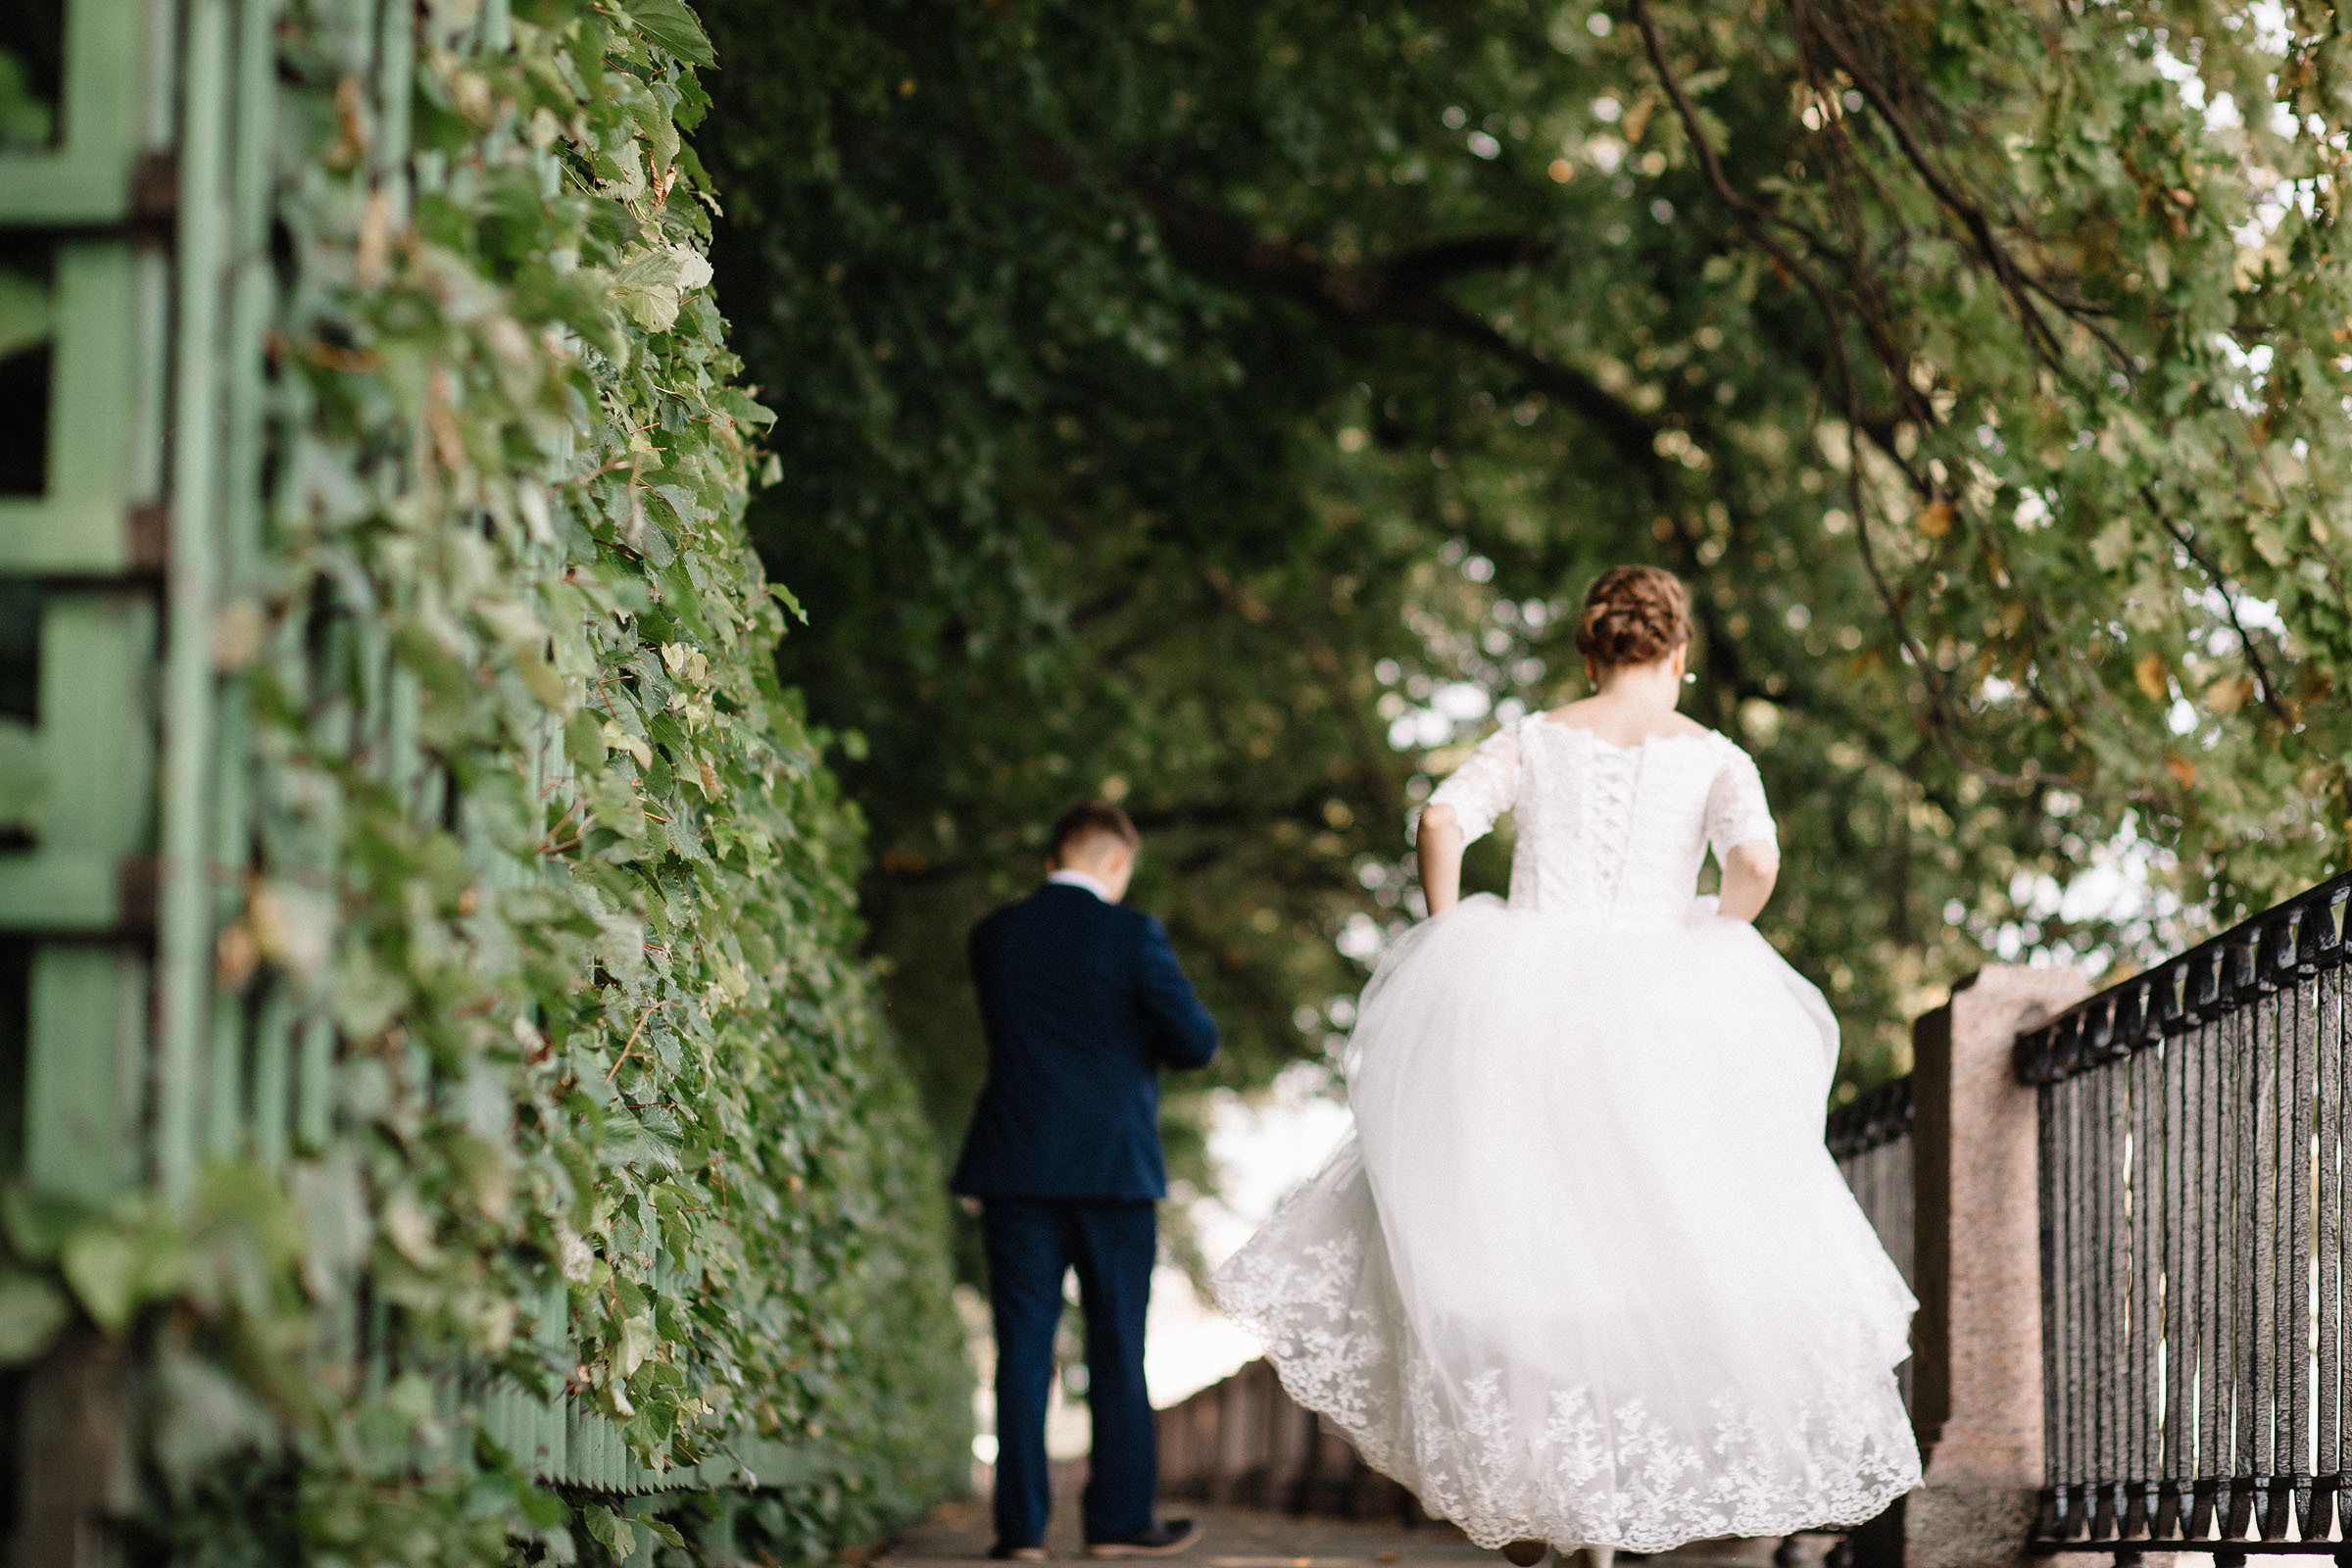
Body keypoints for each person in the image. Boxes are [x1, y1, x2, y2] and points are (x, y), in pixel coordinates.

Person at [1211, 566, 1920, 1564]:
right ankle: (1611, 1504)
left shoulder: (1536, 737)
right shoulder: (1713, 754)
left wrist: (1452, 930)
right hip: (1659, 1019)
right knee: (1657, 1251)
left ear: (1591, 655)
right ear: (1678, 656)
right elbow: (1755, 862)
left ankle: (1540, 1494)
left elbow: (1440, 820)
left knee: (1520, 1245)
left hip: (1524, 1005)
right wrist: (1714, 933)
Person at [954, 801, 1221, 1560]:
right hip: (1113, 1171)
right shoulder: (1134, 935)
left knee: (1022, 1350)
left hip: (1015, 1164)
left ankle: (1021, 1534)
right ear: (1116, 864)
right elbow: (1197, 1043)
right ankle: (1117, 1524)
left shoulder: (994, 935)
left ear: (1051, 859)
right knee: (1116, 1344)